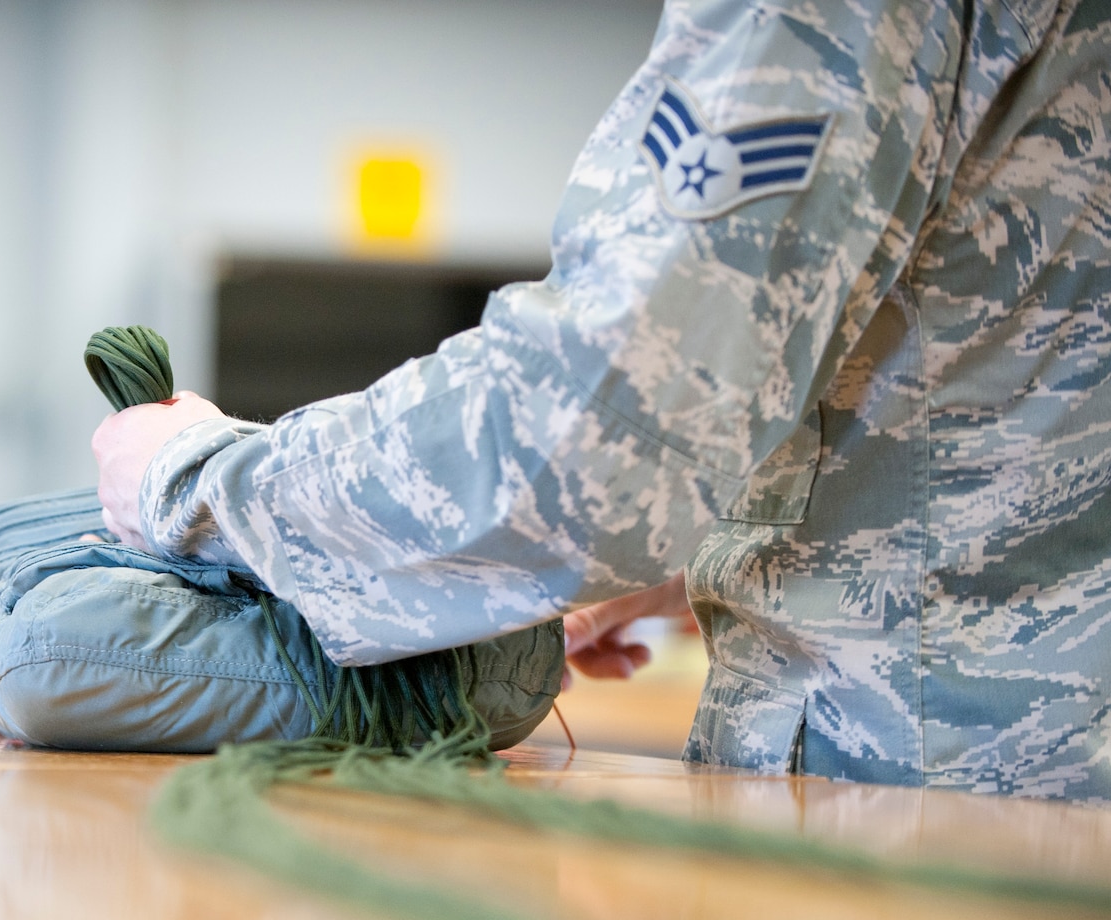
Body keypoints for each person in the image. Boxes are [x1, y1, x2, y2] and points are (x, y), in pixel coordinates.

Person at [92, 0, 1111, 801]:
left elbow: (586, 433)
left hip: (932, 839)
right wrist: (712, 532)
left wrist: (200, 477)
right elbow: (1006, 382)